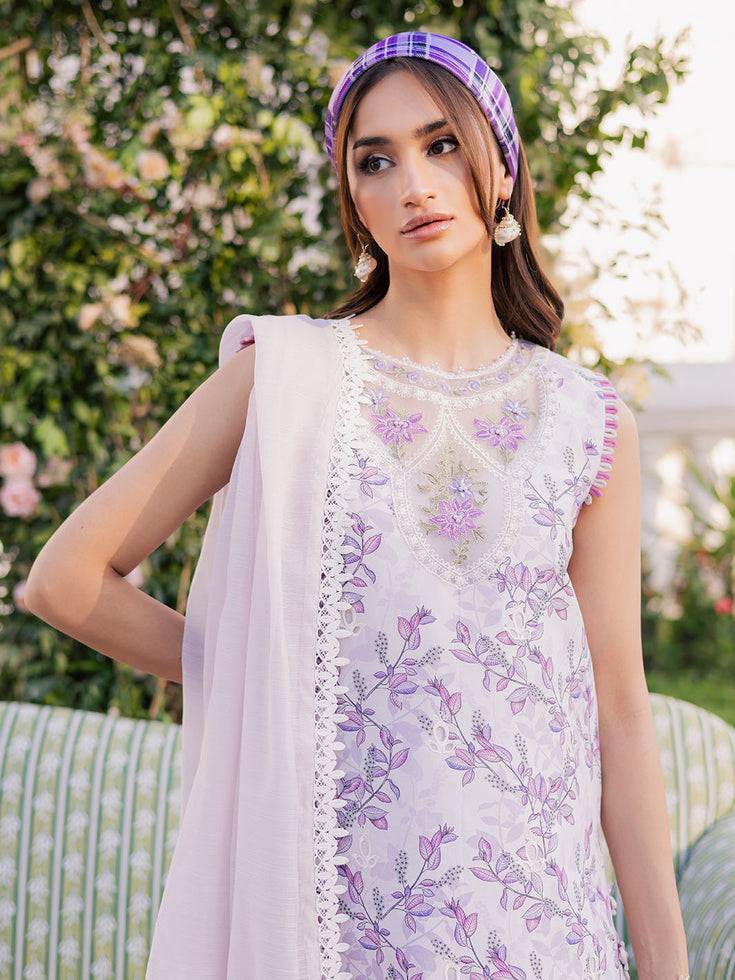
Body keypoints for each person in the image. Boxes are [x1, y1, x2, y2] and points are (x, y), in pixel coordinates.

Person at [26, 30, 689, 980]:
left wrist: (664, 963)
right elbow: (65, 580)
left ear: (501, 167)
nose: (413, 184)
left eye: (441, 145)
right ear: (353, 203)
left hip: (549, 933)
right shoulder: (285, 377)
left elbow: (617, 710)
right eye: (374, 161)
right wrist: (268, 668)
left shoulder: (587, 419)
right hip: (345, 931)